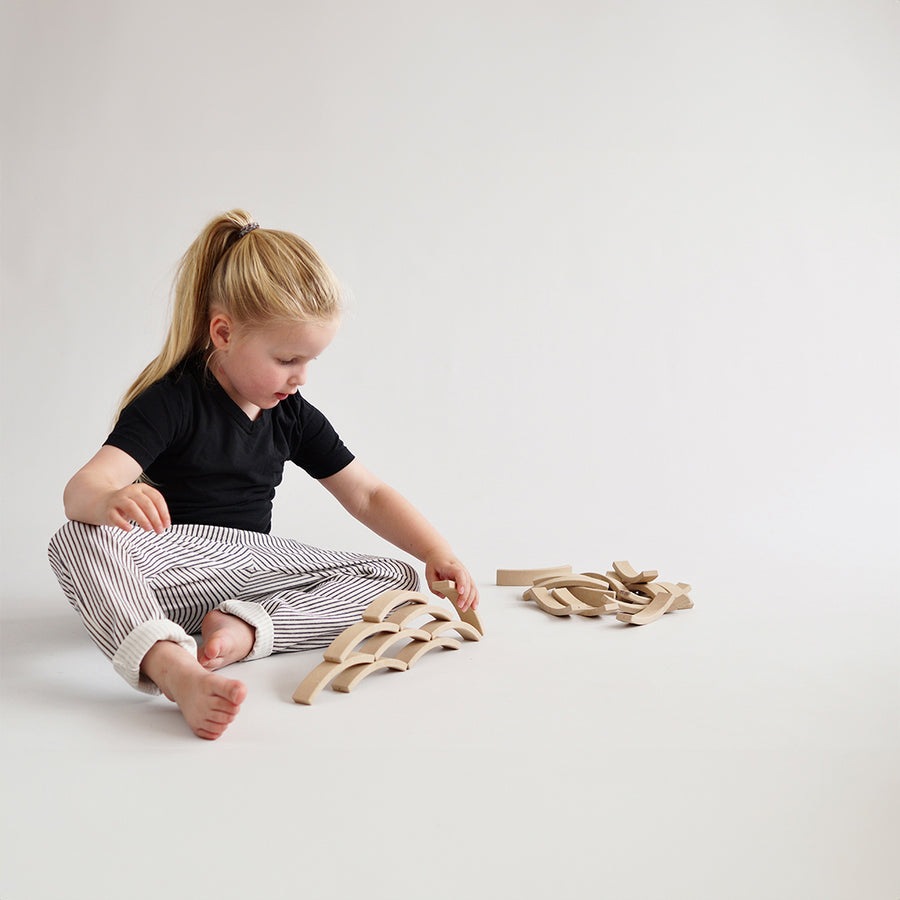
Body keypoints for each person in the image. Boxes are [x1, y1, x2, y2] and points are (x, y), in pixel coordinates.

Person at [48, 209, 479, 741]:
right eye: (286, 359)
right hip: (166, 563)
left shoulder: (292, 413)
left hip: (251, 568)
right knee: (75, 540)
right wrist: (110, 500)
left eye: (309, 362)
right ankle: (170, 666)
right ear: (223, 333)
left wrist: (437, 552)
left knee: (397, 579)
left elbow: (367, 494)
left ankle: (246, 630)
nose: (299, 379)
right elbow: (80, 490)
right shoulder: (173, 401)